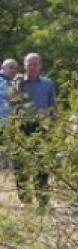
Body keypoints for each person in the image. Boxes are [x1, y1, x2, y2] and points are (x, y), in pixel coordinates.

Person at [12, 52, 56, 206]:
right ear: (24, 66)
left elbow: (52, 106)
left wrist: (54, 128)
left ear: (40, 66)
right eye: (29, 64)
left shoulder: (48, 83)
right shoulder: (17, 82)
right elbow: (11, 103)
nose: (32, 67)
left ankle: (43, 201)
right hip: (21, 127)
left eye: (35, 64)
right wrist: (17, 86)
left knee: (41, 165)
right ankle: (25, 201)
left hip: (41, 127)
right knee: (20, 165)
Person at [0, 59, 18, 126]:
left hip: (9, 124)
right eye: (11, 67)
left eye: (16, 68)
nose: (14, 70)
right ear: (3, 67)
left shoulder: (13, 83)